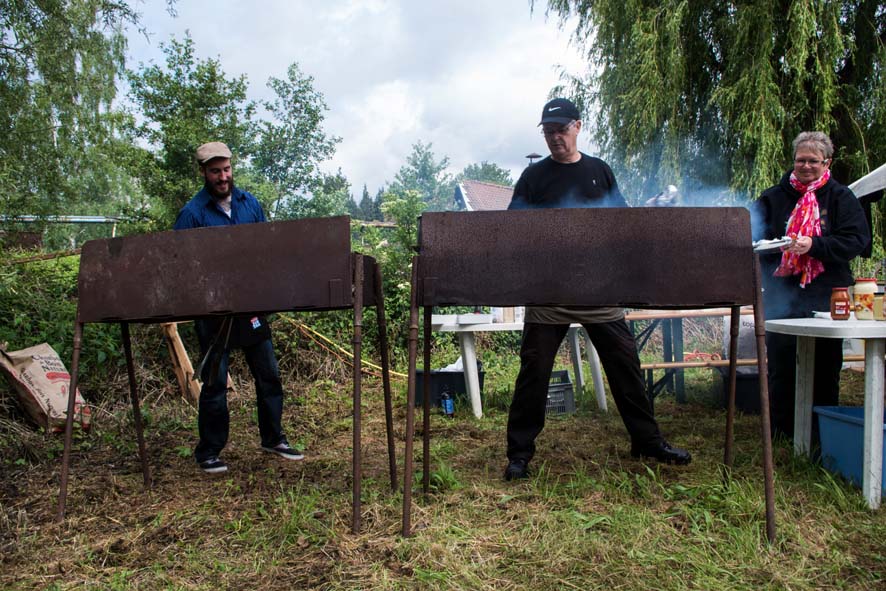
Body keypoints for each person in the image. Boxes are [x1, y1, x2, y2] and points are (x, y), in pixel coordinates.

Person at [503, 98, 692, 480]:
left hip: (600, 291)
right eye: (548, 131)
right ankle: (519, 454)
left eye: (561, 129)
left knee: (626, 367)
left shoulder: (599, 171)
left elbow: (619, 221)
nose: (555, 137)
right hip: (549, 292)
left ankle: (647, 442)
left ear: (577, 127)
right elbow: (512, 228)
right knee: (533, 374)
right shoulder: (533, 178)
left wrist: (645, 213)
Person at [174, 141, 303, 474]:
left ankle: (273, 438)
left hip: (251, 309)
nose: (223, 177)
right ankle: (209, 452)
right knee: (215, 384)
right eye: (215, 171)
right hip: (214, 313)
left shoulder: (250, 204)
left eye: (227, 169)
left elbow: (265, 251)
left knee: (269, 375)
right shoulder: (192, 214)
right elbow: (182, 266)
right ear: (204, 173)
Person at [754, 131, 870, 440]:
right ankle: (781, 433)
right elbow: (752, 239)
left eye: (813, 161)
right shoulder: (772, 198)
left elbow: (856, 241)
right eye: (800, 160)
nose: (805, 166)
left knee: (824, 365)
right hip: (782, 294)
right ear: (793, 161)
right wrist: (776, 249)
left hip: (828, 294)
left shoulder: (841, 197)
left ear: (826, 162)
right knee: (781, 363)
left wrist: (813, 245)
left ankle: (821, 434)